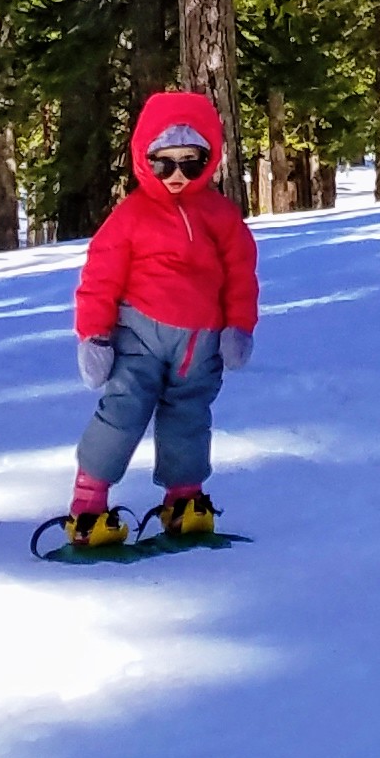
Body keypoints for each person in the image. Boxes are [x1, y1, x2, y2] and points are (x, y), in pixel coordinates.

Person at [61, 88, 260, 551]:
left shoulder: (221, 217)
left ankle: (184, 498)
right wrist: (93, 334)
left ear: (208, 161)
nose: (176, 176)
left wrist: (239, 326)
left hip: (201, 341)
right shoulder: (131, 216)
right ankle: (89, 502)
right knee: (124, 410)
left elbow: (240, 276)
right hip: (139, 336)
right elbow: (99, 278)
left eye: (190, 163)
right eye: (163, 162)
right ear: (143, 158)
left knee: (189, 417)